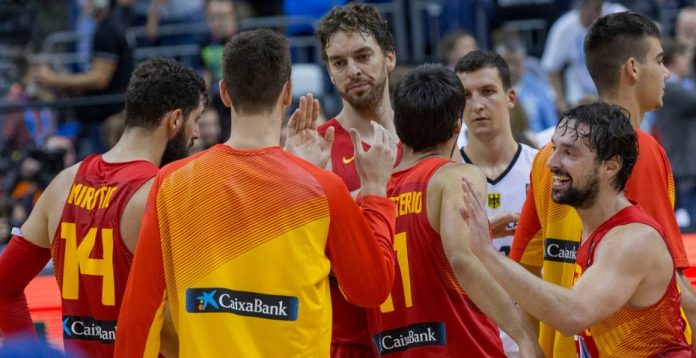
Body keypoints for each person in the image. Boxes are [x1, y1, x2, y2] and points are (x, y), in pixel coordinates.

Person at [114, 29, 398, 357]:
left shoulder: (171, 182)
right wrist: (375, 193)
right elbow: (371, 289)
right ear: (288, 93)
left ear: (224, 93)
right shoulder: (322, 187)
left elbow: (141, 314)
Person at [510, 12, 693, 357]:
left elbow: (525, 268)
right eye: (658, 60)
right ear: (633, 69)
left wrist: (529, 345)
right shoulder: (638, 149)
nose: (666, 72)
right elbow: (675, 287)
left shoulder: (547, 154)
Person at [0, 58, 207, 357]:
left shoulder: (63, 183)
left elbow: (4, 288)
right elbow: (185, 325)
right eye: (196, 119)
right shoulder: (162, 195)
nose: (197, 133)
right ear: (175, 120)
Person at [462, 102, 695, 357]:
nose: (551, 162)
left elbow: (573, 315)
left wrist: (486, 253)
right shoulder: (599, 230)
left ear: (611, 165)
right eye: (554, 148)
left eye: (570, 153)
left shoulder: (633, 239)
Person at [366, 63, 540, 357]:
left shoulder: (373, 193)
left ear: (397, 123)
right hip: (460, 348)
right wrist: (523, 334)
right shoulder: (456, 176)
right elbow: (461, 258)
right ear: (457, 129)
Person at [314, 4, 401, 356]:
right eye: (339, 62)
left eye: (363, 56)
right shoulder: (316, 148)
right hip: (351, 345)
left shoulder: (429, 136)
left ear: (389, 58)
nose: (352, 70)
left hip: (427, 337)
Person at [454, 51, 538, 356]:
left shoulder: (542, 169)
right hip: (472, 338)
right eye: (466, 95)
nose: (477, 105)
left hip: (536, 335)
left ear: (510, 97)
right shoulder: (444, 176)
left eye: (488, 92)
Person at [35, 0, 134, 155]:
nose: (83, 4)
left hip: (107, 118)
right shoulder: (107, 26)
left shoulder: (107, 31)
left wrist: (54, 78)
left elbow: (100, 79)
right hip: (102, 115)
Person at [541, 0, 625, 110]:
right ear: (582, 7)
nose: (599, 14)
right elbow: (551, 69)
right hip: (579, 93)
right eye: (596, 9)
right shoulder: (564, 27)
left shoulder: (617, 16)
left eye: (601, 9)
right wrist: (560, 101)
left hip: (614, 89)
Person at [655, 39, 696, 231]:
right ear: (676, 59)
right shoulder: (670, 89)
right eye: (688, 58)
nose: (690, 62)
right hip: (686, 165)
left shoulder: (682, 86)